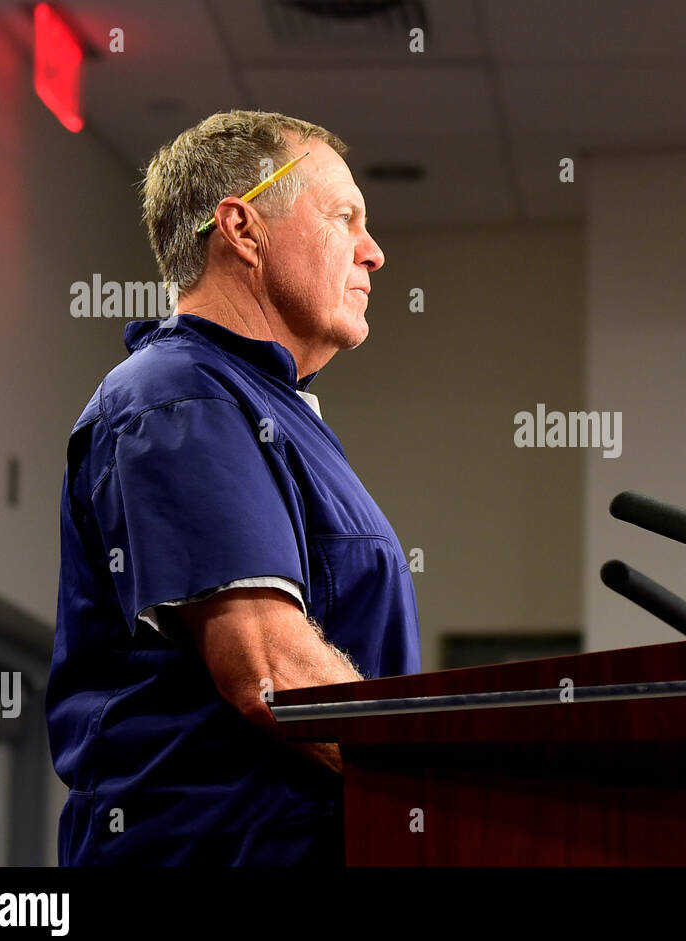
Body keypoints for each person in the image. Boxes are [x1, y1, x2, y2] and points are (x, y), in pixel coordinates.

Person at [46, 110, 421, 865]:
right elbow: (269, 670)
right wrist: (445, 783)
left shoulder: (269, 409)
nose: (373, 252)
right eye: (344, 216)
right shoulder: (179, 393)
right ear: (243, 230)